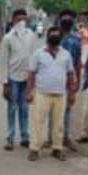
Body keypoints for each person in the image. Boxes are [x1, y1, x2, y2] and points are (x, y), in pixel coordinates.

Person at [27, 26, 75, 162]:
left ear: (60, 38)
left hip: (60, 94)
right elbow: (31, 73)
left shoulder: (66, 54)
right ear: (47, 36)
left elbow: (70, 74)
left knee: (58, 124)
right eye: (52, 34)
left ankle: (57, 149)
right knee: (38, 122)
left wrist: (71, 92)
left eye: (57, 34)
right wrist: (29, 92)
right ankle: (34, 149)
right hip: (42, 93)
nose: (55, 36)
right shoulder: (38, 53)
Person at [0, 8, 35, 151]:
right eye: (19, 19)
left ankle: (25, 137)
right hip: (12, 78)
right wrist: (5, 83)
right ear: (13, 20)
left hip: (26, 78)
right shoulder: (8, 38)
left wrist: (32, 82)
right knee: (11, 108)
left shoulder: (31, 35)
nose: (22, 22)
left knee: (25, 109)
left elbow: (33, 57)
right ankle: (10, 138)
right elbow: (4, 62)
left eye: (24, 19)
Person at [49, 9, 82, 151]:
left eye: (70, 18)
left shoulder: (77, 39)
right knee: (52, 108)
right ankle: (51, 138)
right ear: (60, 19)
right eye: (65, 17)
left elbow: (78, 62)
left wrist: (77, 80)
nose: (67, 19)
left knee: (67, 109)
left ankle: (65, 137)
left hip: (69, 78)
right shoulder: (54, 37)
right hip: (54, 77)